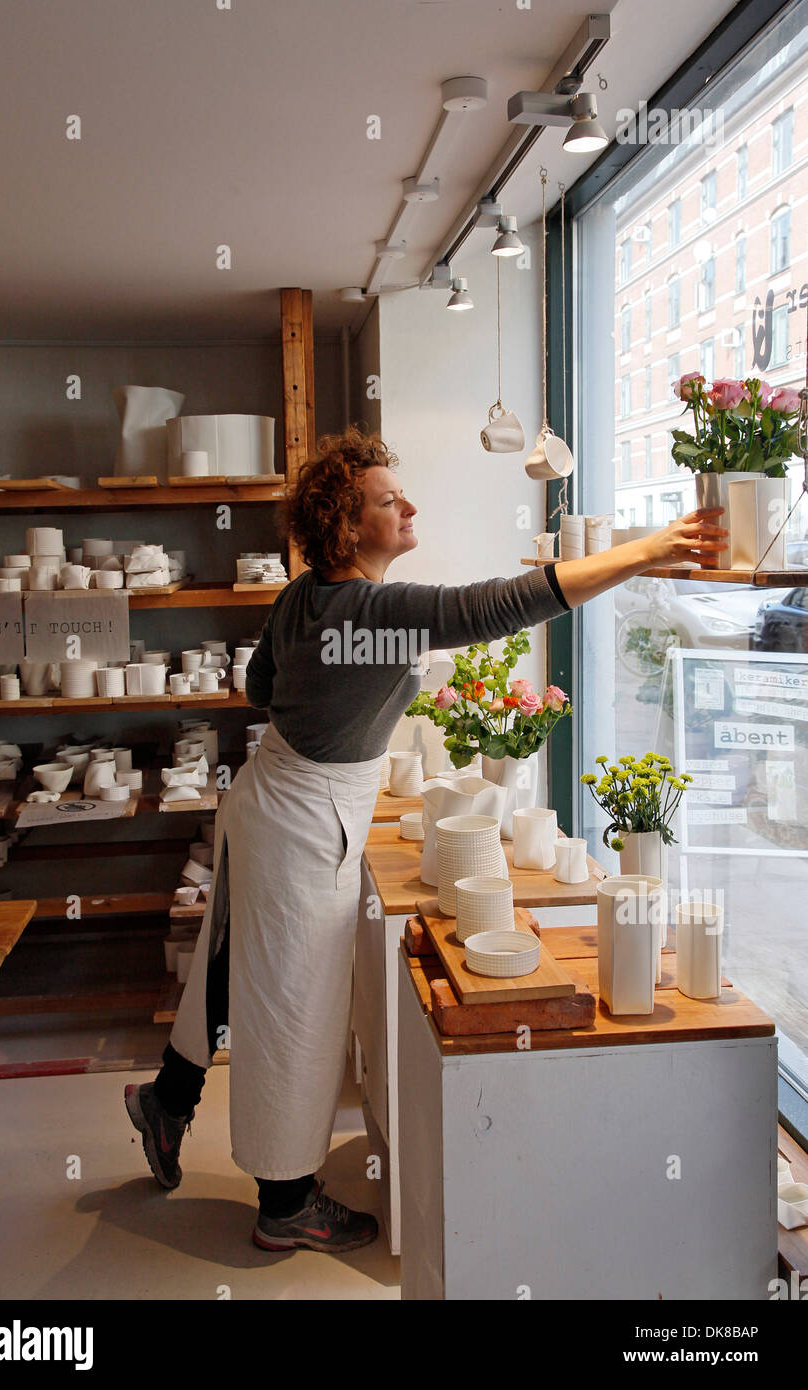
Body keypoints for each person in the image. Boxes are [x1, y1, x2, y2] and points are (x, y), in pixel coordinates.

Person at [125, 424, 727, 1253]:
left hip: (274, 794)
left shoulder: (308, 595)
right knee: (293, 1003)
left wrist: (332, 707)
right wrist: (645, 550)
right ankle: (285, 1205)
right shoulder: (374, 608)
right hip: (303, 819)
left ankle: (167, 1100)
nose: (408, 505)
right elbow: (501, 604)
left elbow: (261, 684)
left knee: (236, 965)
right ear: (347, 528)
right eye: (386, 501)